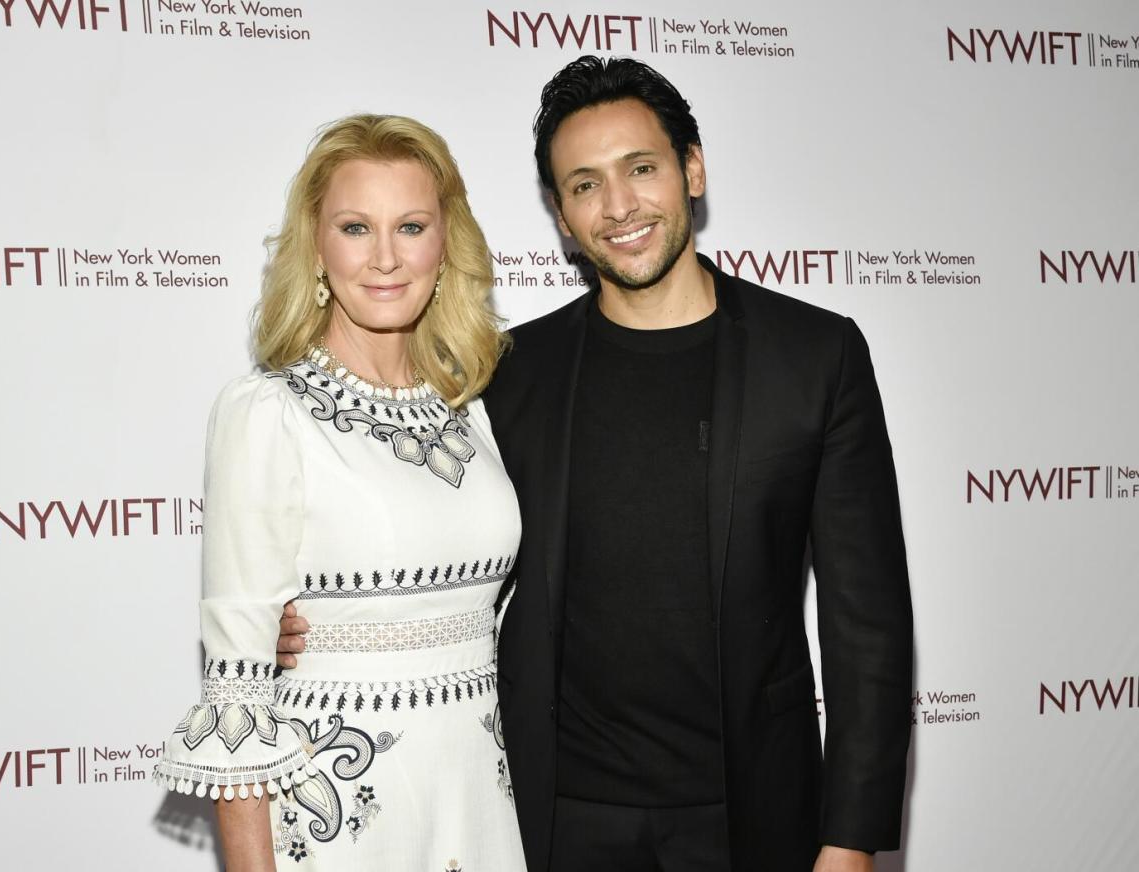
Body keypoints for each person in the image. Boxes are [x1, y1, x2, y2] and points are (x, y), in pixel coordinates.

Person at [280, 56, 913, 872]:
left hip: (751, 815)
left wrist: (851, 838)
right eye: (583, 185)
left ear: (692, 169)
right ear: (561, 214)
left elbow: (869, 624)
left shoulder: (814, 357)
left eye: (640, 169)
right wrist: (302, 622)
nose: (618, 207)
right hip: (553, 820)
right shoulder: (508, 372)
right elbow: (410, 524)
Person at [155, 114, 527, 871]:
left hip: (477, 809)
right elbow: (237, 697)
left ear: (443, 244)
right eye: (356, 227)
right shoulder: (267, 413)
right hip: (341, 823)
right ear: (317, 246)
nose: (386, 257)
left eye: (411, 225)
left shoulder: (469, 410)